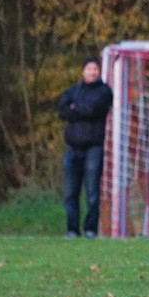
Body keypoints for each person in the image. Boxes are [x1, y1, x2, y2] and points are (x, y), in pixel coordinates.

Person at [57, 56, 113, 239]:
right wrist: (78, 109)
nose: (92, 72)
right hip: (73, 148)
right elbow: (62, 109)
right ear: (83, 71)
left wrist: (75, 109)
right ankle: (72, 230)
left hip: (93, 148)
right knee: (70, 193)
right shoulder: (73, 90)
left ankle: (90, 230)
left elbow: (93, 109)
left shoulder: (104, 92)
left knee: (92, 193)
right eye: (89, 69)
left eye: (95, 69)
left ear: (99, 71)